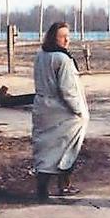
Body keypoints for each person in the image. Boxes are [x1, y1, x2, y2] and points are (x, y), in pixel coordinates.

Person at [32, 22, 89, 200]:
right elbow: (68, 90)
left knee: (45, 148)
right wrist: (80, 111)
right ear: (54, 38)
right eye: (62, 36)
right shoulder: (62, 59)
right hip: (62, 111)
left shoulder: (41, 55)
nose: (66, 40)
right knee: (67, 149)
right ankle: (64, 185)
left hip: (43, 107)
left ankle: (42, 187)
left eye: (68, 36)